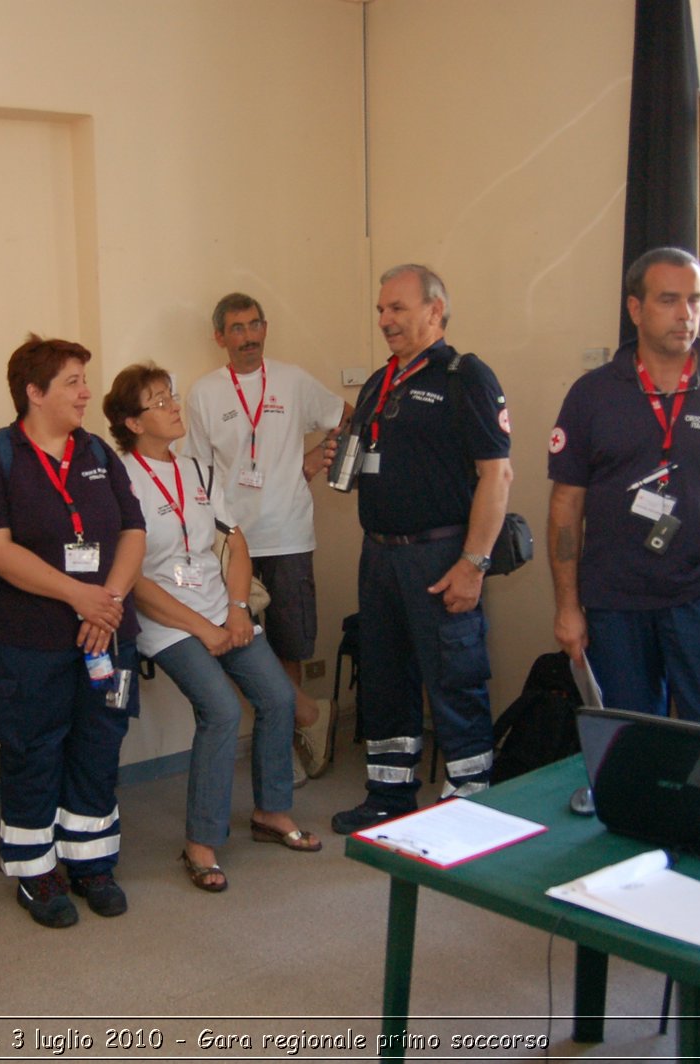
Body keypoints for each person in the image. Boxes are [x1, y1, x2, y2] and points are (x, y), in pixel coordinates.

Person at [547, 247, 700, 732]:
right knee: (631, 743)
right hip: (614, 604)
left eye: (694, 300)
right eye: (669, 300)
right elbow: (566, 504)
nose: (686, 315)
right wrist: (567, 606)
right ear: (636, 309)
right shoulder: (592, 395)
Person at [104, 363, 321, 893]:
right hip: (168, 622)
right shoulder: (120, 480)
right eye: (159, 401)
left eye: (171, 396)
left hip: (222, 606)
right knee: (221, 710)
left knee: (277, 697)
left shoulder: (198, 471)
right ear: (133, 422)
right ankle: (201, 842)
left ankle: (272, 811)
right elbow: (133, 580)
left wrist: (240, 607)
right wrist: (204, 628)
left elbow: (235, 543)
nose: (174, 407)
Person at [0, 334, 147, 928]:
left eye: (83, 380)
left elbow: (134, 532)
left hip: (106, 632)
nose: (86, 392)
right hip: (26, 642)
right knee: (33, 752)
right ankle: (35, 871)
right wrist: (79, 597)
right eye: (72, 381)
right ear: (34, 393)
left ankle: (91, 862)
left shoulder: (97, 452)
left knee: (97, 747)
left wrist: (108, 601)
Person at [330, 265, 513, 835]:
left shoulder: (466, 377)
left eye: (398, 309)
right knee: (385, 678)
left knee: (454, 679)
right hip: (380, 556)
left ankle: (468, 806)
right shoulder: (380, 382)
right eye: (381, 310)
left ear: (435, 311)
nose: (385, 320)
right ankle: (389, 795)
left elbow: (497, 475)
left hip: (441, 557)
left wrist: (473, 564)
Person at [183, 293, 349, 779]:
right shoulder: (205, 393)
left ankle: (288, 753)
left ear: (266, 328)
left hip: (290, 535)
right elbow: (195, 471)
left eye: (255, 326)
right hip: (234, 545)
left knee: (289, 648)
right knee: (240, 646)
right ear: (220, 337)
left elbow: (348, 417)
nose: (249, 337)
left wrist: (318, 461)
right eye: (237, 328)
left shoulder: (293, 380)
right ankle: (310, 717)